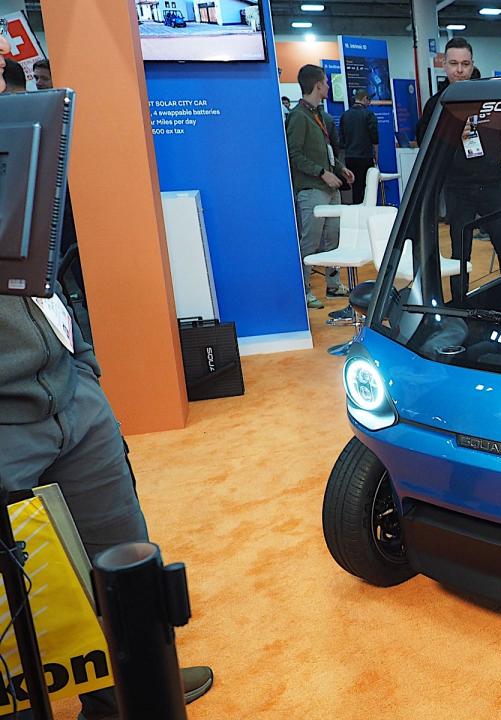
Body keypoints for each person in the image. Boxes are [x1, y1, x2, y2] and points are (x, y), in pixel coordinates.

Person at [0, 38, 214, 719]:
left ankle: (132, 682)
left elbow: (46, 284)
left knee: (123, 551)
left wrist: (84, 366)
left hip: (71, 393)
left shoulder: (19, 167)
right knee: (21, 595)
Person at [415, 38, 501, 300]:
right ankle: (458, 308)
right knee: (460, 253)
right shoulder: (437, 104)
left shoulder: (489, 96)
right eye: (453, 64)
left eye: (465, 64)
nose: (459, 70)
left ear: (473, 64)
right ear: (444, 65)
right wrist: (448, 132)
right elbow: (424, 143)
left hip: (492, 183)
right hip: (457, 187)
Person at [286, 64, 354, 310]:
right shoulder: (297, 117)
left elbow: (327, 152)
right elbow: (294, 154)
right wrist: (322, 173)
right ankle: (304, 291)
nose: (328, 86)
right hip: (312, 189)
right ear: (317, 85)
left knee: (333, 239)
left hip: (331, 189)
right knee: (310, 242)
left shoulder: (321, 116)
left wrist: (339, 168)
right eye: (325, 82)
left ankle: (333, 283)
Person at [338, 89, 379, 205]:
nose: (369, 103)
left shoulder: (345, 115)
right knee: (368, 187)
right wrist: (376, 155)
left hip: (350, 158)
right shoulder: (369, 114)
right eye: (369, 100)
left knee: (355, 188)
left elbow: (341, 140)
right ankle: (367, 213)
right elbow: (374, 137)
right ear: (365, 98)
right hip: (365, 157)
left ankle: (357, 211)